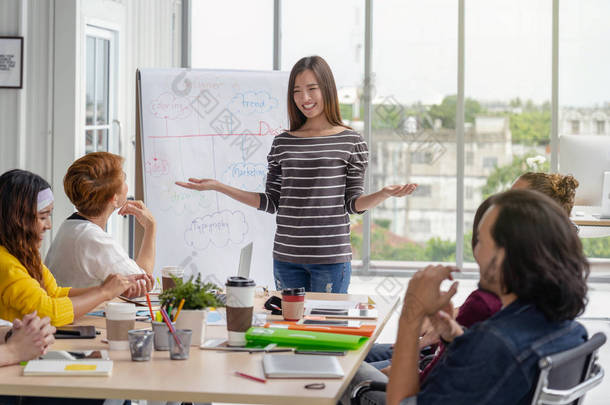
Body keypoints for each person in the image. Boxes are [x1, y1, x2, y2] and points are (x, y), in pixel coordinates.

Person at [177, 55, 417, 293]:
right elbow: (272, 202)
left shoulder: (351, 141)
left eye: (312, 89)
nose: (305, 98)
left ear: (328, 89)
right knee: (289, 328)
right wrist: (219, 186)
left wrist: (383, 194)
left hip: (331, 259)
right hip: (286, 258)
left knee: (325, 329)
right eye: (297, 91)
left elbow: (353, 204)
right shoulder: (283, 143)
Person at [381, 189, 588, 405]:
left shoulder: (496, 343)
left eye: (480, 240)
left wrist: (411, 315)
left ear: (504, 256)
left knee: (350, 378)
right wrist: (455, 336)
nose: (476, 251)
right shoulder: (570, 330)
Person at [0, 169, 149, 327]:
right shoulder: (7, 266)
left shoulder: (23, 255)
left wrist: (106, 288)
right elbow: (50, 314)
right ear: (18, 219)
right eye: (43, 217)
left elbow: (55, 293)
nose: (49, 225)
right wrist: (104, 292)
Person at [46, 152, 156, 291]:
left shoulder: (70, 227)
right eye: (124, 179)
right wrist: (150, 227)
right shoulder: (93, 239)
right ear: (114, 199)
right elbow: (143, 282)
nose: (127, 186)